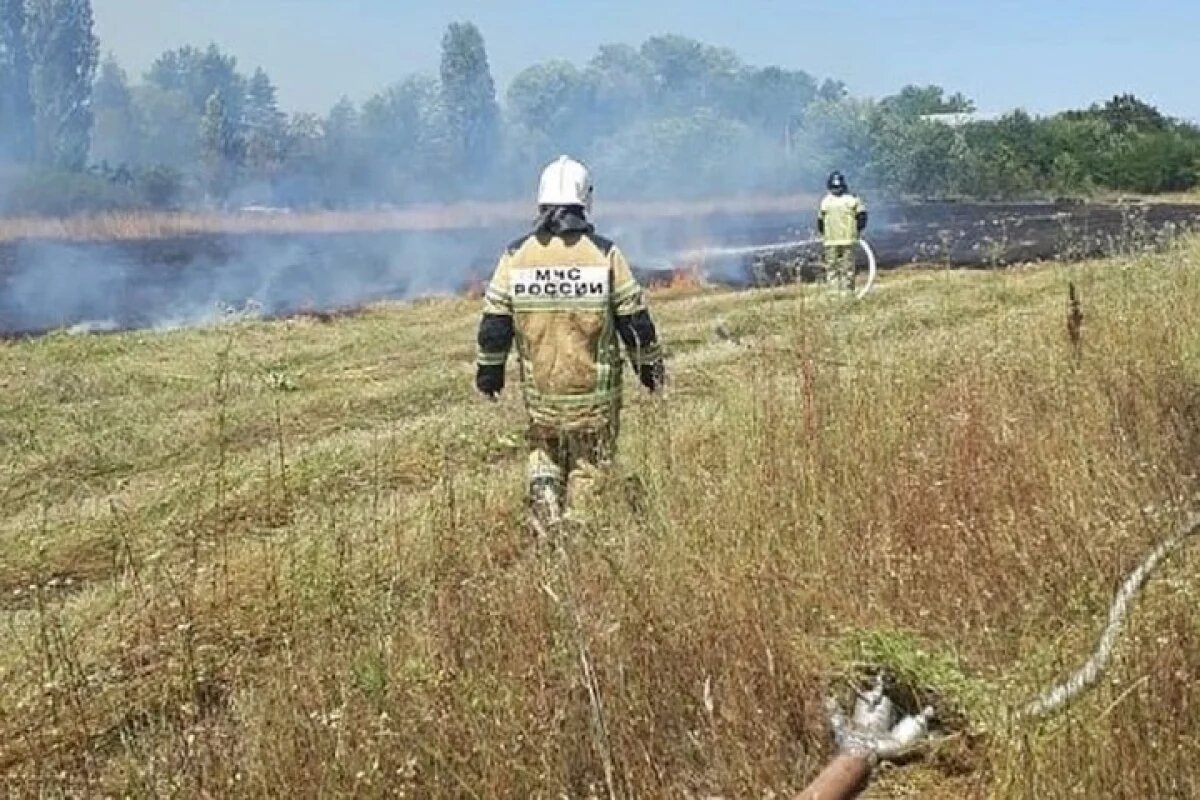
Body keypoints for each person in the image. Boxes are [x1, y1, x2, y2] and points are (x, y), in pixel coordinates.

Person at [474, 155, 665, 534]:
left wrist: (489, 372)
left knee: (543, 450)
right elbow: (635, 322)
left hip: (542, 392)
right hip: (593, 395)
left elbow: (494, 324)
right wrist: (650, 369)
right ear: (585, 199)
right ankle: (578, 534)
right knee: (590, 462)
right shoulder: (604, 254)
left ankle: (546, 508)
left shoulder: (515, 256)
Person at [817, 171, 868, 292]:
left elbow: (820, 223)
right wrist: (857, 231)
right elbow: (862, 217)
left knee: (832, 269)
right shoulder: (852, 200)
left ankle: (834, 294)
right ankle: (847, 293)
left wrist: (825, 235)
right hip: (848, 240)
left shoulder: (825, 201)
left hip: (830, 242)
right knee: (848, 269)